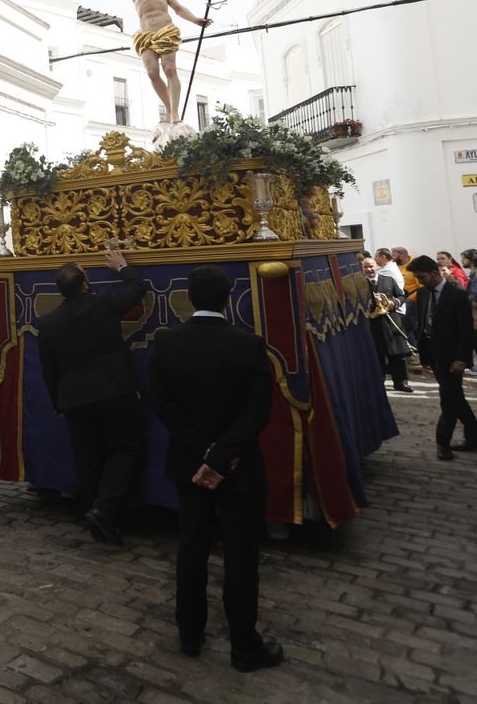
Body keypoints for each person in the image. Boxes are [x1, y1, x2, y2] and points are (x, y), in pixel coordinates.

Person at [146, 266, 282, 672]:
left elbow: (162, 405)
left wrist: (203, 452)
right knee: (241, 552)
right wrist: (222, 456)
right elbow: (257, 410)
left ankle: (190, 634)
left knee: (192, 546)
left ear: (188, 298)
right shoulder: (249, 345)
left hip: (189, 463)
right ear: (228, 298)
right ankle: (244, 644)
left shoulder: (167, 343)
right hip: (238, 465)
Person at [35, 249, 148, 545]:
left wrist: (58, 402)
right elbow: (138, 287)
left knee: (87, 460)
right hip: (114, 391)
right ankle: (105, 509)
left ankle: (95, 519)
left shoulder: (48, 323)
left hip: (75, 399)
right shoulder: (103, 304)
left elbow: (49, 370)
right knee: (125, 449)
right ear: (85, 284)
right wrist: (121, 266)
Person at [100, 0, 211, 142]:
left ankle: (174, 112)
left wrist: (195, 20)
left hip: (165, 31)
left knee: (170, 69)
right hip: (146, 36)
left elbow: (177, 8)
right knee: (152, 73)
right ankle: (168, 108)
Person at [407, 256, 477, 460]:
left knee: (449, 400)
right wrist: (424, 356)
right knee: (456, 398)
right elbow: (424, 325)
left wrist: (462, 359)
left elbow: (466, 331)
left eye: (422, 277)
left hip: (452, 357)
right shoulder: (423, 293)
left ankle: (442, 443)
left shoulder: (457, 294)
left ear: (434, 273)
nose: (420, 281)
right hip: (433, 355)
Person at [361, 257, 412, 392]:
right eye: (366, 267)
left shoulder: (388, 280)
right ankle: (379, 382)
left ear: (377, 266)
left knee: (397, 354)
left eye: (371, 266)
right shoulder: (360, 283)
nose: (369, 269)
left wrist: (392, 302)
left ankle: (401, 382)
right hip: (372, 324)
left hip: (391, 322)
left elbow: (401, 296)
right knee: (376, 355)